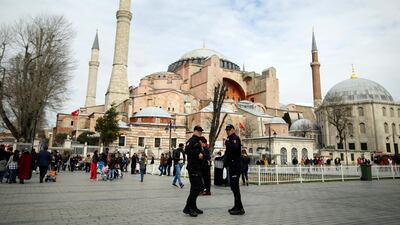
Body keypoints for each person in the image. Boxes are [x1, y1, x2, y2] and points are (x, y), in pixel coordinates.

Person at [183, 125, 205, 217]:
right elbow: (187, 151)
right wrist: (197, 154)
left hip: (198, 167)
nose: (200, 132)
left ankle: (193, 206)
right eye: (199, 131)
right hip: (193, 167)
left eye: (201, 131)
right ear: (194, 131)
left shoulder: (198, 141)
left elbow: (201, 152)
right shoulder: (191, 141)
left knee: (196, 188)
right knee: (196, 188)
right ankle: (188, 208)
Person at [224, 124, 245, 215]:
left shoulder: (235, 138)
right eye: (226, 130)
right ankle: (237, 206)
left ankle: (240, 208)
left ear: (233, 130)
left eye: (229, 129)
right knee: (233, 187)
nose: (227, 131)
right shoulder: (230, 139)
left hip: (236, 166)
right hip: (232, 166)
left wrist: (228, 144)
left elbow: (235, 148)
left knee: (235, 187)